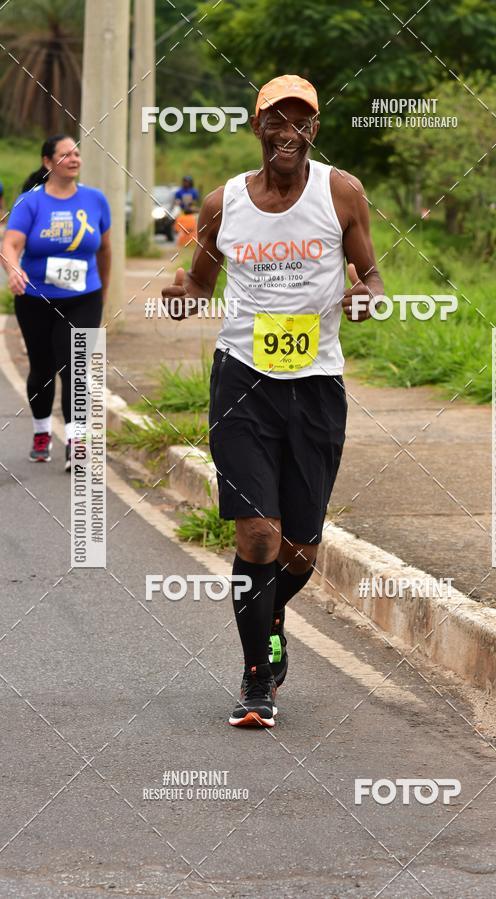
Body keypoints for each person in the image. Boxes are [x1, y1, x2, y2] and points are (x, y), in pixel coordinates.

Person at [161, 74, 383, 728]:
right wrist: (182, 297)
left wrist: (368, 297)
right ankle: (257, 676)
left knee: (301, 551)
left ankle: (270, 612)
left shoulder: (341, 192)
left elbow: (371, 275)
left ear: (315, 129)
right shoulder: (222, 203)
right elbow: (199, 285)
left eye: (301, 121)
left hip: (316, 386)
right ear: (257, 126)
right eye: (276, 119)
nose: (289, 132)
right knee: (259, 535)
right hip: (243, 382)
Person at [1, 135, 111, 470]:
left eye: (76, 153)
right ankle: (41, 431)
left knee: (75, 368)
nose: (74, 159)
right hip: (36, 299)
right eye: (66, 155)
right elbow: (10, 244)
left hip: (83, 298)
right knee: (42, 370)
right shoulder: (30, 202)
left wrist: (103, 293)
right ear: (48, 162)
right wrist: (14, 270)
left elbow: (105, 250)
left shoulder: (95, 200)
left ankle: (76, 441)